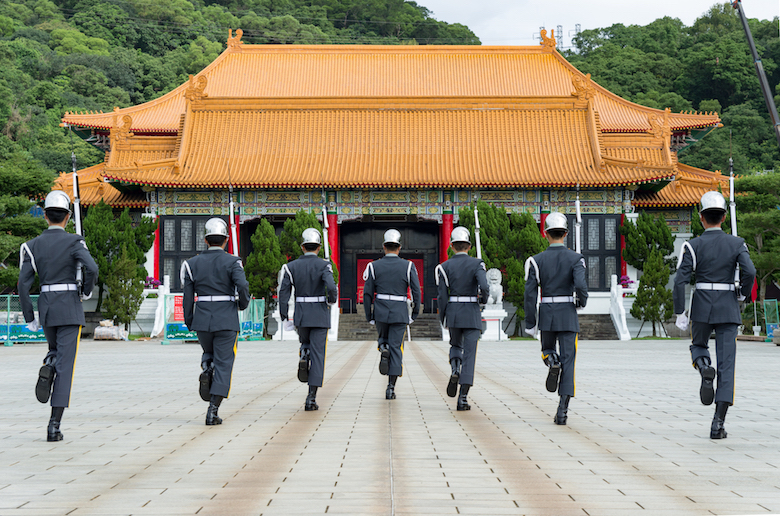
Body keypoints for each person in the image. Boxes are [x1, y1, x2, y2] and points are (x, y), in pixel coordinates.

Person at [673, 191, 755, 439]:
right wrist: (742, 293)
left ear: (701, 217)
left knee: (698, 345)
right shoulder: (737, 243)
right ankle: (718, 423)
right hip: (728, 307)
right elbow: (749, 270)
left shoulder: (693, 245)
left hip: (702, 307)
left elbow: (680, 281)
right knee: (727, 364)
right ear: (724, 217)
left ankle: (704, 367)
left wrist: (680, 312)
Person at [18, 190, 98, 442]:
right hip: (70, 307)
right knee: (66, 366)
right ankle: (54, 425)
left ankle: (49, 363)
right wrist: (85, 292)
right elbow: (92, 268)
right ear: (67, 217)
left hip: (47, 307)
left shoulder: (31, 246)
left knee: (55, 351)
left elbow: (22, 284)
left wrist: (30, 317)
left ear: (45, 215)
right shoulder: (75, 242)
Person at [181, 218, 250, 425]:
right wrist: (242, 304)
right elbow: (243, 286)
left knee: (210, 352)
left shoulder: (191, 264)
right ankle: (213, 409)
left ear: (205, 240)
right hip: (226, 319)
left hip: (202, 320)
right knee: (224, 362)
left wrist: (190, 321)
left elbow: (187, 297)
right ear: (226, 240)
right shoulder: (232, 261)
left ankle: (206, 365)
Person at [524, 212, 588, 425]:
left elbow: (530, 294)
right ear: (566, 233)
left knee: (547, 349)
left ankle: (552, 361)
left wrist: (531, 324)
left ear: (545, 234)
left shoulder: (535, 261)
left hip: (547, 312)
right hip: (568, 313)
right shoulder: (576, 258)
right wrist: (581, 301)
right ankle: (562, 410)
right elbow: (580, 285)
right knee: (570, 360)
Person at [278, 228, 338, 411]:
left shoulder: (291, 266)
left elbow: (283, 293)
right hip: (319, 314)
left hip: (301, 314)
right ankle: (311, 397)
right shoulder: (324, 265)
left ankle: (304, 352)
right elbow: (331, 286)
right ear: (319, 247)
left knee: (305, 341)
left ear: (302, 247)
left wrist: (283, 314)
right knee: (318, 355)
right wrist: (331, 300)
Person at [363, 229, 421, 399]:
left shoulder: (373, 266)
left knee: (383, 338)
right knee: (397, 347)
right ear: (399, 247)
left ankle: (383, 347)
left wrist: (369, 315)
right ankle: (390, 388)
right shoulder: (408, 265)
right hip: (400, 311)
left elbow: (367, 293)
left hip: (381, 310)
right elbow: (416, 291)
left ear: (384, 247)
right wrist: (415, 313)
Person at [435, 227, 488, 411]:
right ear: (469, 246)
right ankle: (463, 397)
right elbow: (485, 286)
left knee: (455, 346)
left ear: (451, 246)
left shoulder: (444, 267)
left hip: (454, 312)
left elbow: (442, 296)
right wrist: (483, 301)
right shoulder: (477, 264)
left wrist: (444, 317)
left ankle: (455, 369)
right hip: (472, 312)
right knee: (470, 354)